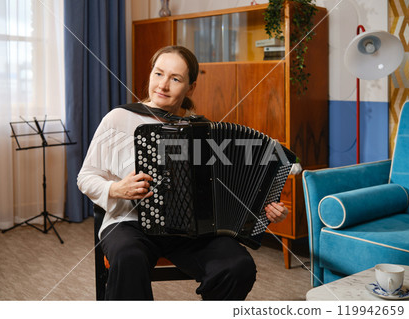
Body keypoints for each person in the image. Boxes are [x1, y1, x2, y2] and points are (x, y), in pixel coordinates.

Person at [77, 45, 289, 300]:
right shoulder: (119, 118)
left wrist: (262, 208)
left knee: (237, 266)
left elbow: (223, 188)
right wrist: (115, 189)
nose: (162, 85)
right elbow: (86, 176)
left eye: (175, 79)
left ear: (191, 87)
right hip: (129, 223)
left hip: (191, 229)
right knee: (128, 257)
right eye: (158, 74)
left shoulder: (202, 129)